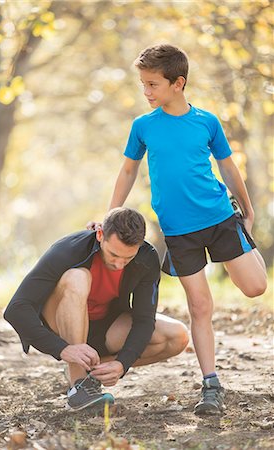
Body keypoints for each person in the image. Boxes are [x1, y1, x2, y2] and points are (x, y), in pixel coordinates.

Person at [107, 44, 267, 415]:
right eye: (143, 84)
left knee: (255, 287)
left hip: (219, 218)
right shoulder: (143, 126)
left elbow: (227, 167)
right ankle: (211, 384)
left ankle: (246, 245)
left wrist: (247, 208)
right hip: (179, 232)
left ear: (178, 83)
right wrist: (112, 210)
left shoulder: (206, 122)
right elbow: (129, 169)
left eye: (152, 85)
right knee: (200, 305)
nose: (146, 92)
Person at [4, 207, 189, 412]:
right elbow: (16, 309)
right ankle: (79, 386)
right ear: (100, 234)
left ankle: (93, 374)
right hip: (61, 324)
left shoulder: (146, 258)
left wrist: (122, 363)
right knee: (77, 277)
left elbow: (144, 319)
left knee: (177, 336)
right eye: (114, 254)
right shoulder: (69, 249)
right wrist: (62, 349)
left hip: (106, 328)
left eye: (127, 259)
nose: (119, 264)